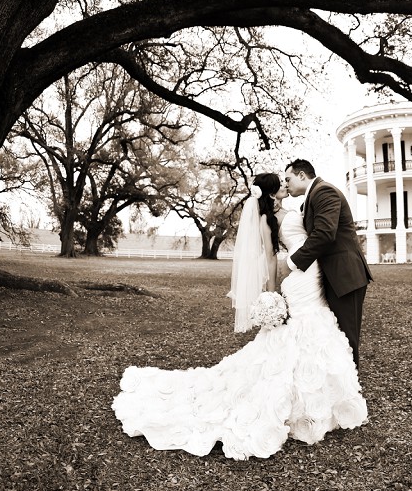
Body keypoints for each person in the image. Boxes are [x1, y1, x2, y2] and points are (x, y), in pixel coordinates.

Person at [111, 172, 367, 461]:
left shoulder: (294, 208)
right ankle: (299, 400)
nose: (285, 185)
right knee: (302, 327)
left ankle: (324, 394)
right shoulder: (266, 220)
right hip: (299, 272)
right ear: (271, 192)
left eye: (287, 180)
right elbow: (270, 257)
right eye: (280, 183)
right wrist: (272, 293)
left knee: (315, 328)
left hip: (312, 270)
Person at [282, 159, 373, 367]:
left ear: (302, 175)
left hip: (345, 276)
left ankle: (351, 393)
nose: (286, 184)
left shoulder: (324, 192)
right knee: (335, 337)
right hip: (331, 276)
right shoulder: (310, 198)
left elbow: (324, 235)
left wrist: (291, 263)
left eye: (289, 179)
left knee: (346, 338)